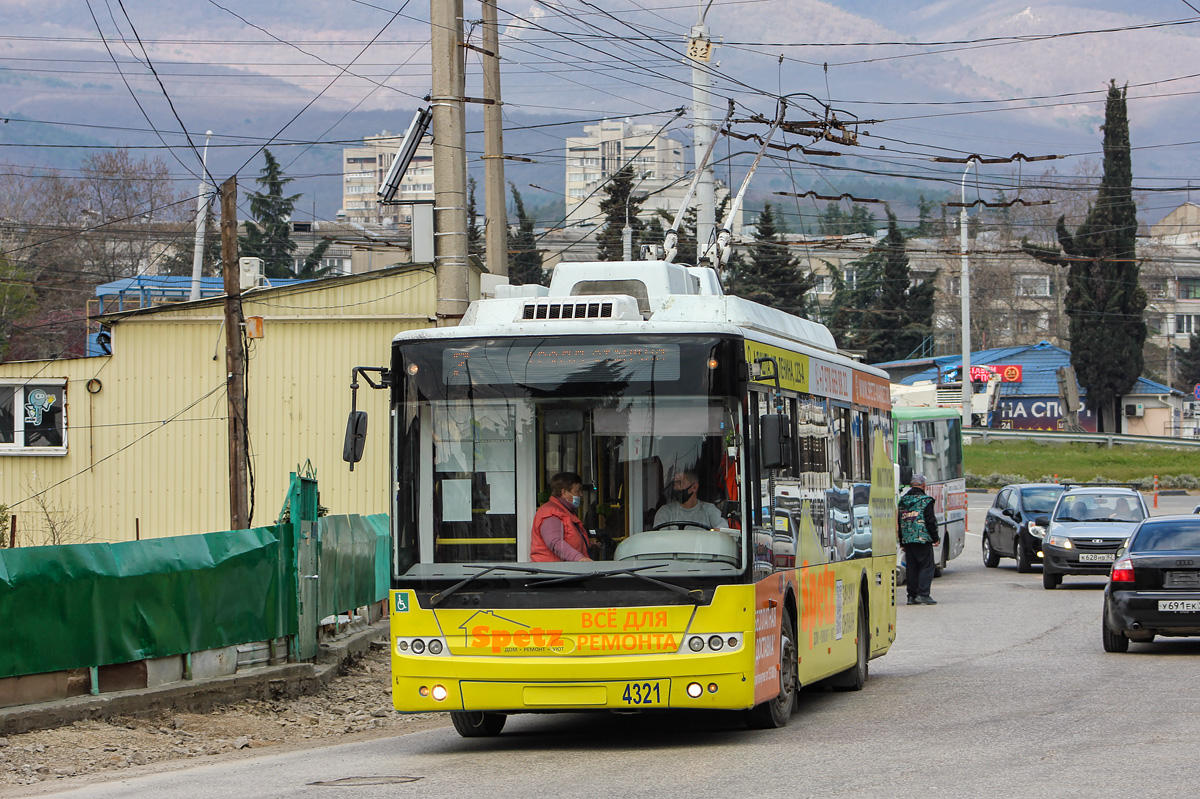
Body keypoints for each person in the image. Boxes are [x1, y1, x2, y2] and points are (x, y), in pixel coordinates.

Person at [530, 472, 592, 562]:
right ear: (564, 493)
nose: (581, 494)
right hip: (553, 572)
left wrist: (587, 543)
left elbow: (569, 538)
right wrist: (579, 558)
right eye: (577, 491)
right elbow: (555, 542)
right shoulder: (551, 514)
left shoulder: (565, 511)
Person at [897, 473, 940, 605]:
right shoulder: (925, 501)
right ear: (923, 485)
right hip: (922, 538)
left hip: (908, 539)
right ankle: (923, 594)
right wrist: (935, 537)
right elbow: (930, 521)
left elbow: (899, 521)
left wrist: (902, 540)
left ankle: (911, 595)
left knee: (912, 568)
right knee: (926, 566)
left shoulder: (903, 500)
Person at [653, 469, 727, 529]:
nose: (675, 487)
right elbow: (659, 540)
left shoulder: (709, 510)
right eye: (675, 483)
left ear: (694, 487)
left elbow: (723, 528)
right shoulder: (665, 512)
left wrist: (719, 531)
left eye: (680, 483)